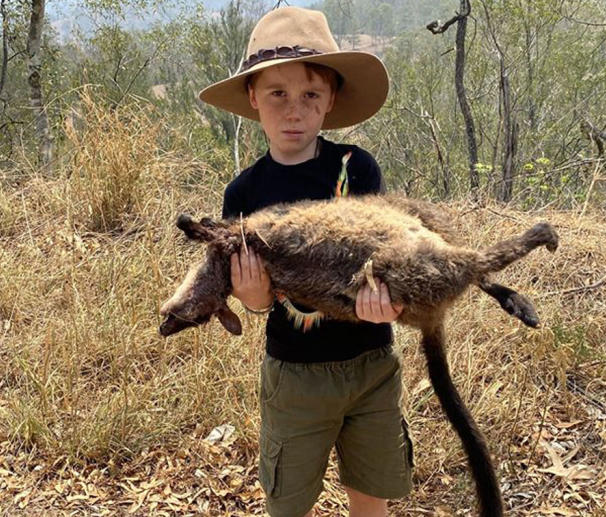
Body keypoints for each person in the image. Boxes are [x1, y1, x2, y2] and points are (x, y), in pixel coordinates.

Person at [198, 7, 411, 517]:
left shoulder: (356, 169)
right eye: (278, 94)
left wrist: (392, 305)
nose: (294, 110)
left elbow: (385, 258)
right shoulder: (244, 193)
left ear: (331, 99)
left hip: (371, 366)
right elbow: (251, 295)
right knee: (288, 502)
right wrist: (251, 299)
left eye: (310, 95)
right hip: (294, 376)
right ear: (253, 99)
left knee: (372, 497)